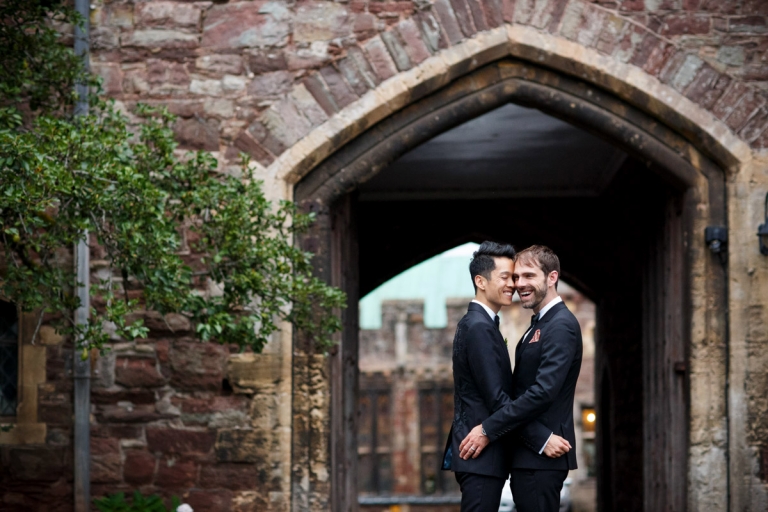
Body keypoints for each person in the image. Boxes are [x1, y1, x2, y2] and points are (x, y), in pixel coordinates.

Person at [441, 242, 571, 512]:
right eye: (507, 277)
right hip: (479, 454)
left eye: (521, 277)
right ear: (480, 281)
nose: (514, 284)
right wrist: (540, 438)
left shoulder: (489, 324)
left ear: (552, 277)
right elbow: (498, 398)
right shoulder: (479, 326)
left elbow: (537, 392)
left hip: (489, 454)